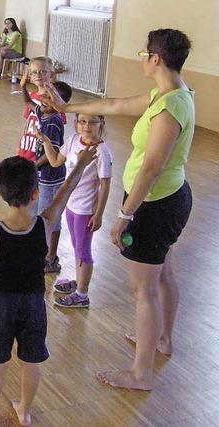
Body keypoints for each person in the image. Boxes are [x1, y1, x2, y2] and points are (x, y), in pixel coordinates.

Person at [45, 28, 194, 390]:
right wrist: (67, 107)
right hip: (168, 198)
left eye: (144, 54)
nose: (142, 58)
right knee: (162, 274)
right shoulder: (169, 93)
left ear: (156, 59)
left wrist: (125, 213)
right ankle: (162, 339)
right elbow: (112, 105)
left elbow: (151, 168)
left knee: (143, 289)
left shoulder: (170, 107)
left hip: (155, 205)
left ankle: (140, 373)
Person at [0, 148, 97, 427]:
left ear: (2, 193)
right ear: (35, 194)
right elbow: (67, 189)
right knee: (31, 360)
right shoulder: (45, 224)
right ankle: (24, 412)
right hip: (35, 303)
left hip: (2, 304)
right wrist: (81, 163)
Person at [36, 113, 113, 308]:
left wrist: (99, 213)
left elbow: (105, 184)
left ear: (101, 123)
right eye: (82, 121)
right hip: (70, 205)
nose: (87, 126)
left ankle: (82, 294)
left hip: (85, 209)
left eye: (93, 121)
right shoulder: (72, 140)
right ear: (76, 123)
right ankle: (79, 282)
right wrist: (45, 141)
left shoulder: (101, 151)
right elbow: (54, 161)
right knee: (76, 246)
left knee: (83, 250)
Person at [19, 75, 73, 274]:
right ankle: (43, 252)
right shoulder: (43, 112)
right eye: (45, 95)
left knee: (51, 217)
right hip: (42, 176)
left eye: (50, 98)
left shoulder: (54, 122)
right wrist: (24, 86)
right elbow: (27, 102)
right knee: (40, 214)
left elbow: (54, 154)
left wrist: (33, 165)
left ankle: (50, 258)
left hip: (51, 178)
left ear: (60, 104)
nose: (44, 100)